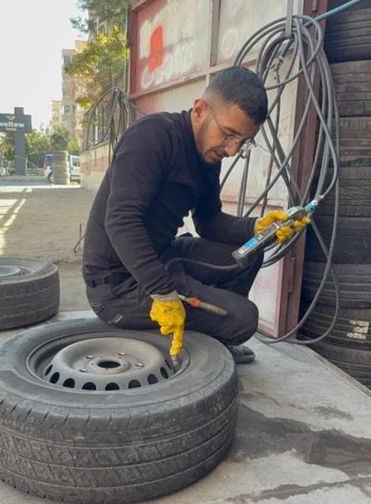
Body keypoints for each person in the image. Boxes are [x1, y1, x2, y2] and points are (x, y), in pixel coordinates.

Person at [82, 67, 308, 364]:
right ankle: (202, 330)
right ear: (200, 109)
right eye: (229, 134)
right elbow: (121, 221)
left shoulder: (208, 155)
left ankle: (210, 334)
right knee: (244, 319)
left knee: (249, 252)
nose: (232, 150)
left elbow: (209, 221)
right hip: (117, 285)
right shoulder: (152, 137)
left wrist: (258, 228)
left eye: (243, 141)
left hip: (162, 256)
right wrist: (164, 293)